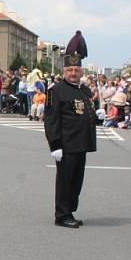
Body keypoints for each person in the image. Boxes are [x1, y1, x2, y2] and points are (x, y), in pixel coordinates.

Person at [44, 31, 96, 229]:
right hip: (66, 144)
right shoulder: (55, 91)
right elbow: (51, 120)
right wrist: (55, 145)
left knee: (76, 181)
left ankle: (70, 210)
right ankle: (62, 214)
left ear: (81, 71)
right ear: (64, 71)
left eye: (76, 70)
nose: (73, 73)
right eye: (70, 70)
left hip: (81, 143)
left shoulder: (83, 90)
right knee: (65, 181)